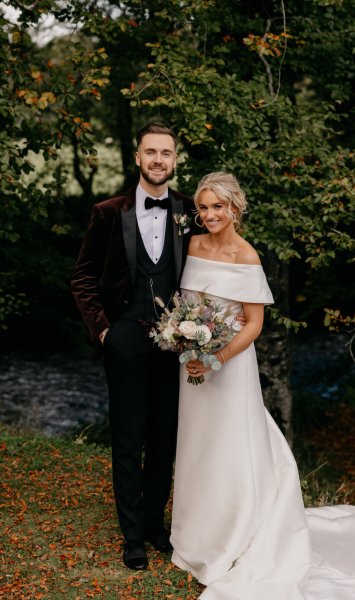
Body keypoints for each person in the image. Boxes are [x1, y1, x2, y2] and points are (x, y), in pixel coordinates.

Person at [170, 171, 355, 599]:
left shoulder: (246, 255)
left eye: (217, 206)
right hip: (193, 367)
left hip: (229, 366)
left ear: (234, 207)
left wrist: (215, 357)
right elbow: (188, 306)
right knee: (197, 444)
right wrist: (184, 339)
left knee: (230, 444)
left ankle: (235, 534)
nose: (209, 214)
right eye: (203, 207)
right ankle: (194, 535)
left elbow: (255, 324)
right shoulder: (193, 246)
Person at [71, 123, 201, 571]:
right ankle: (132, 537)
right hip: (123, 339)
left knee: (165, 439)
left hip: (174, 344)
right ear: (138, 157)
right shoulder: (108, 212)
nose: (159, 160)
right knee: (128, 440)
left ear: (175, 160)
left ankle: (154, 525)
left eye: (167, 152)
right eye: (151, 152)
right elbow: (83, 277)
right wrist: (104, 330)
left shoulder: (189, 210)